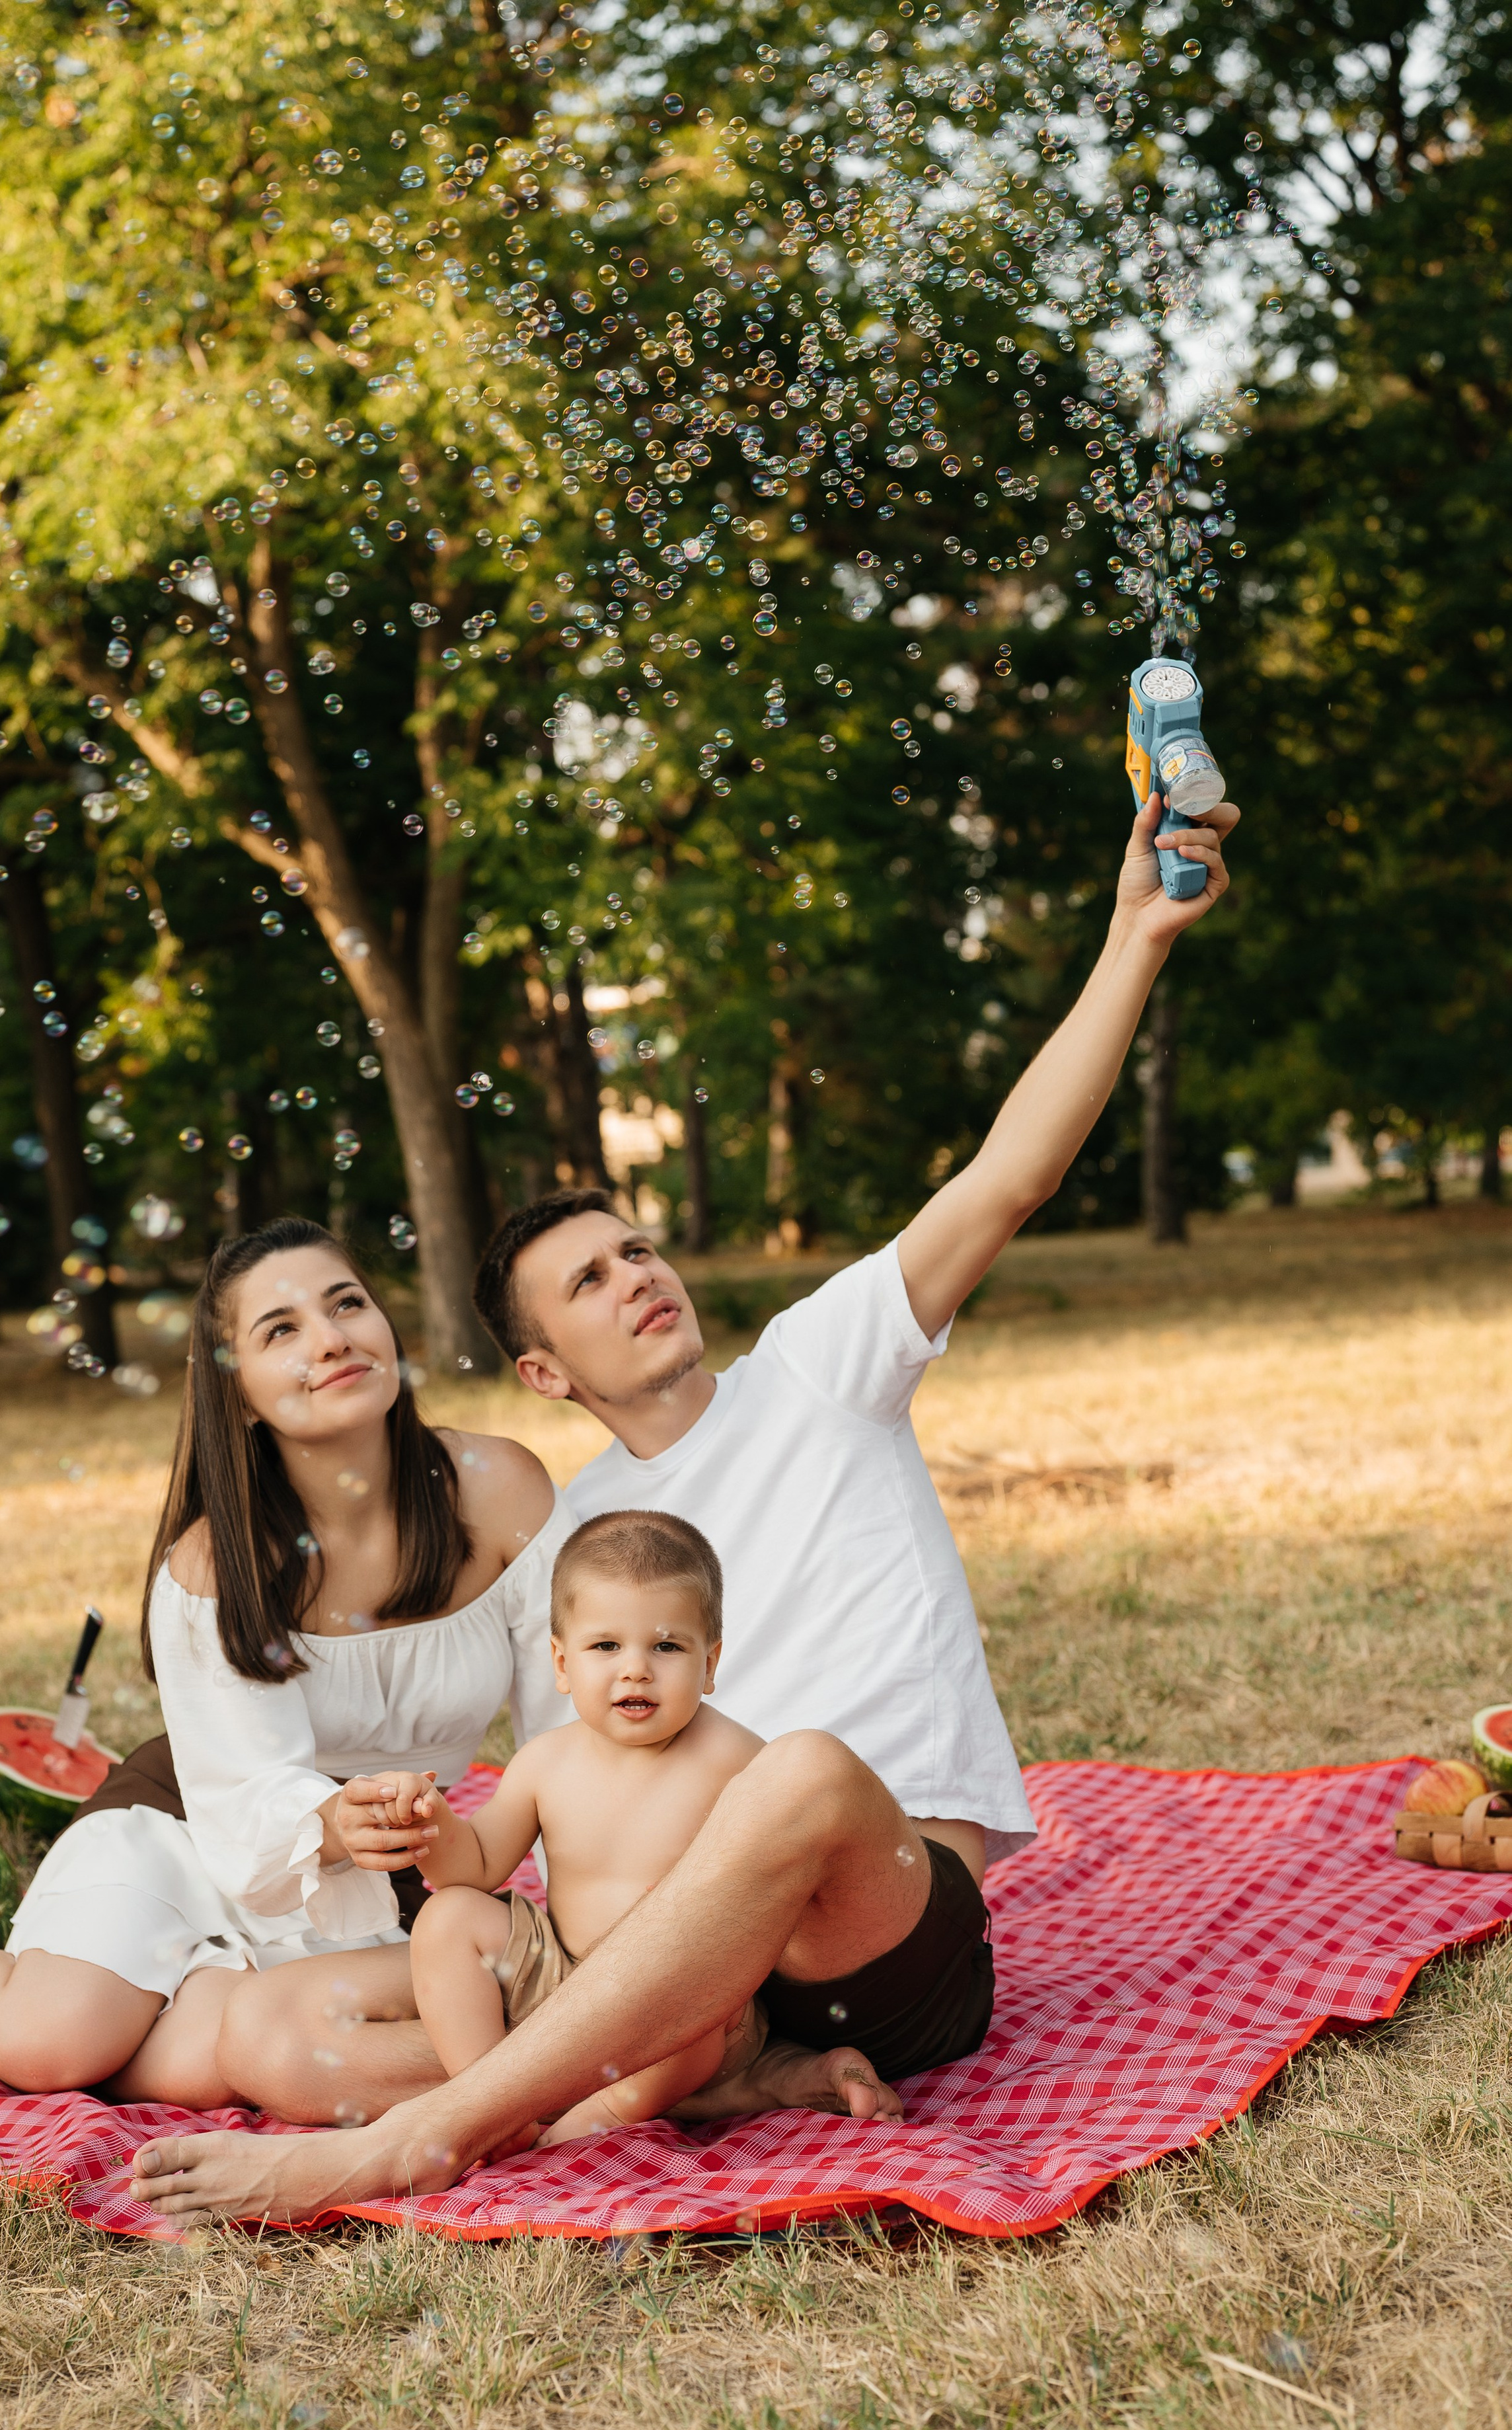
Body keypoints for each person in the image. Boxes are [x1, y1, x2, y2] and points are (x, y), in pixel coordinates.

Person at [129, 781, 1234, 2222]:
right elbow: (562, 1796)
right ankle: (704, 2079)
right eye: (589, 1280)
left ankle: (427, 2137)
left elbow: (1005, 1177)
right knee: (298, 2033)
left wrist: (1135, 935)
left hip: (879, 1940)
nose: (637, 1276)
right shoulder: (585, 1546)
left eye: (639, 1248)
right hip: (701, 1983)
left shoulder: (821, 1368)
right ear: (540, 1366)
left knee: (795, 1766)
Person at [0, 1218, 574, 2110]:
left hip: (382, 1875)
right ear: (242, 1394)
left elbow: (571, 1725)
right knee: (55, 2041)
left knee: (190, 2070)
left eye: (347, 1304)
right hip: (197, 1820)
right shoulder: (214, 1563)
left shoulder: (501, 1491)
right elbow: (243, 1790)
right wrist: (330, 1822)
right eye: (280, 1329)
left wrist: (590, 1899)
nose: (331, 1338)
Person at [385, 1510, 776, 2144]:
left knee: (699, 2002)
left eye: (667, 1646)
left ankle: (601, 2117)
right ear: (562, 1664)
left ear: (710, 1663)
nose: (636, 1669)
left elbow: (787, 1871)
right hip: (563, 1988)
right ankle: (487, 2100)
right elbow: (476, 1864)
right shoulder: (546, 1761)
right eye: (606, 1646)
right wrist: (432, 1825)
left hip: (680, 2011)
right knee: (448, 1916)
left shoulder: (735, 1759)